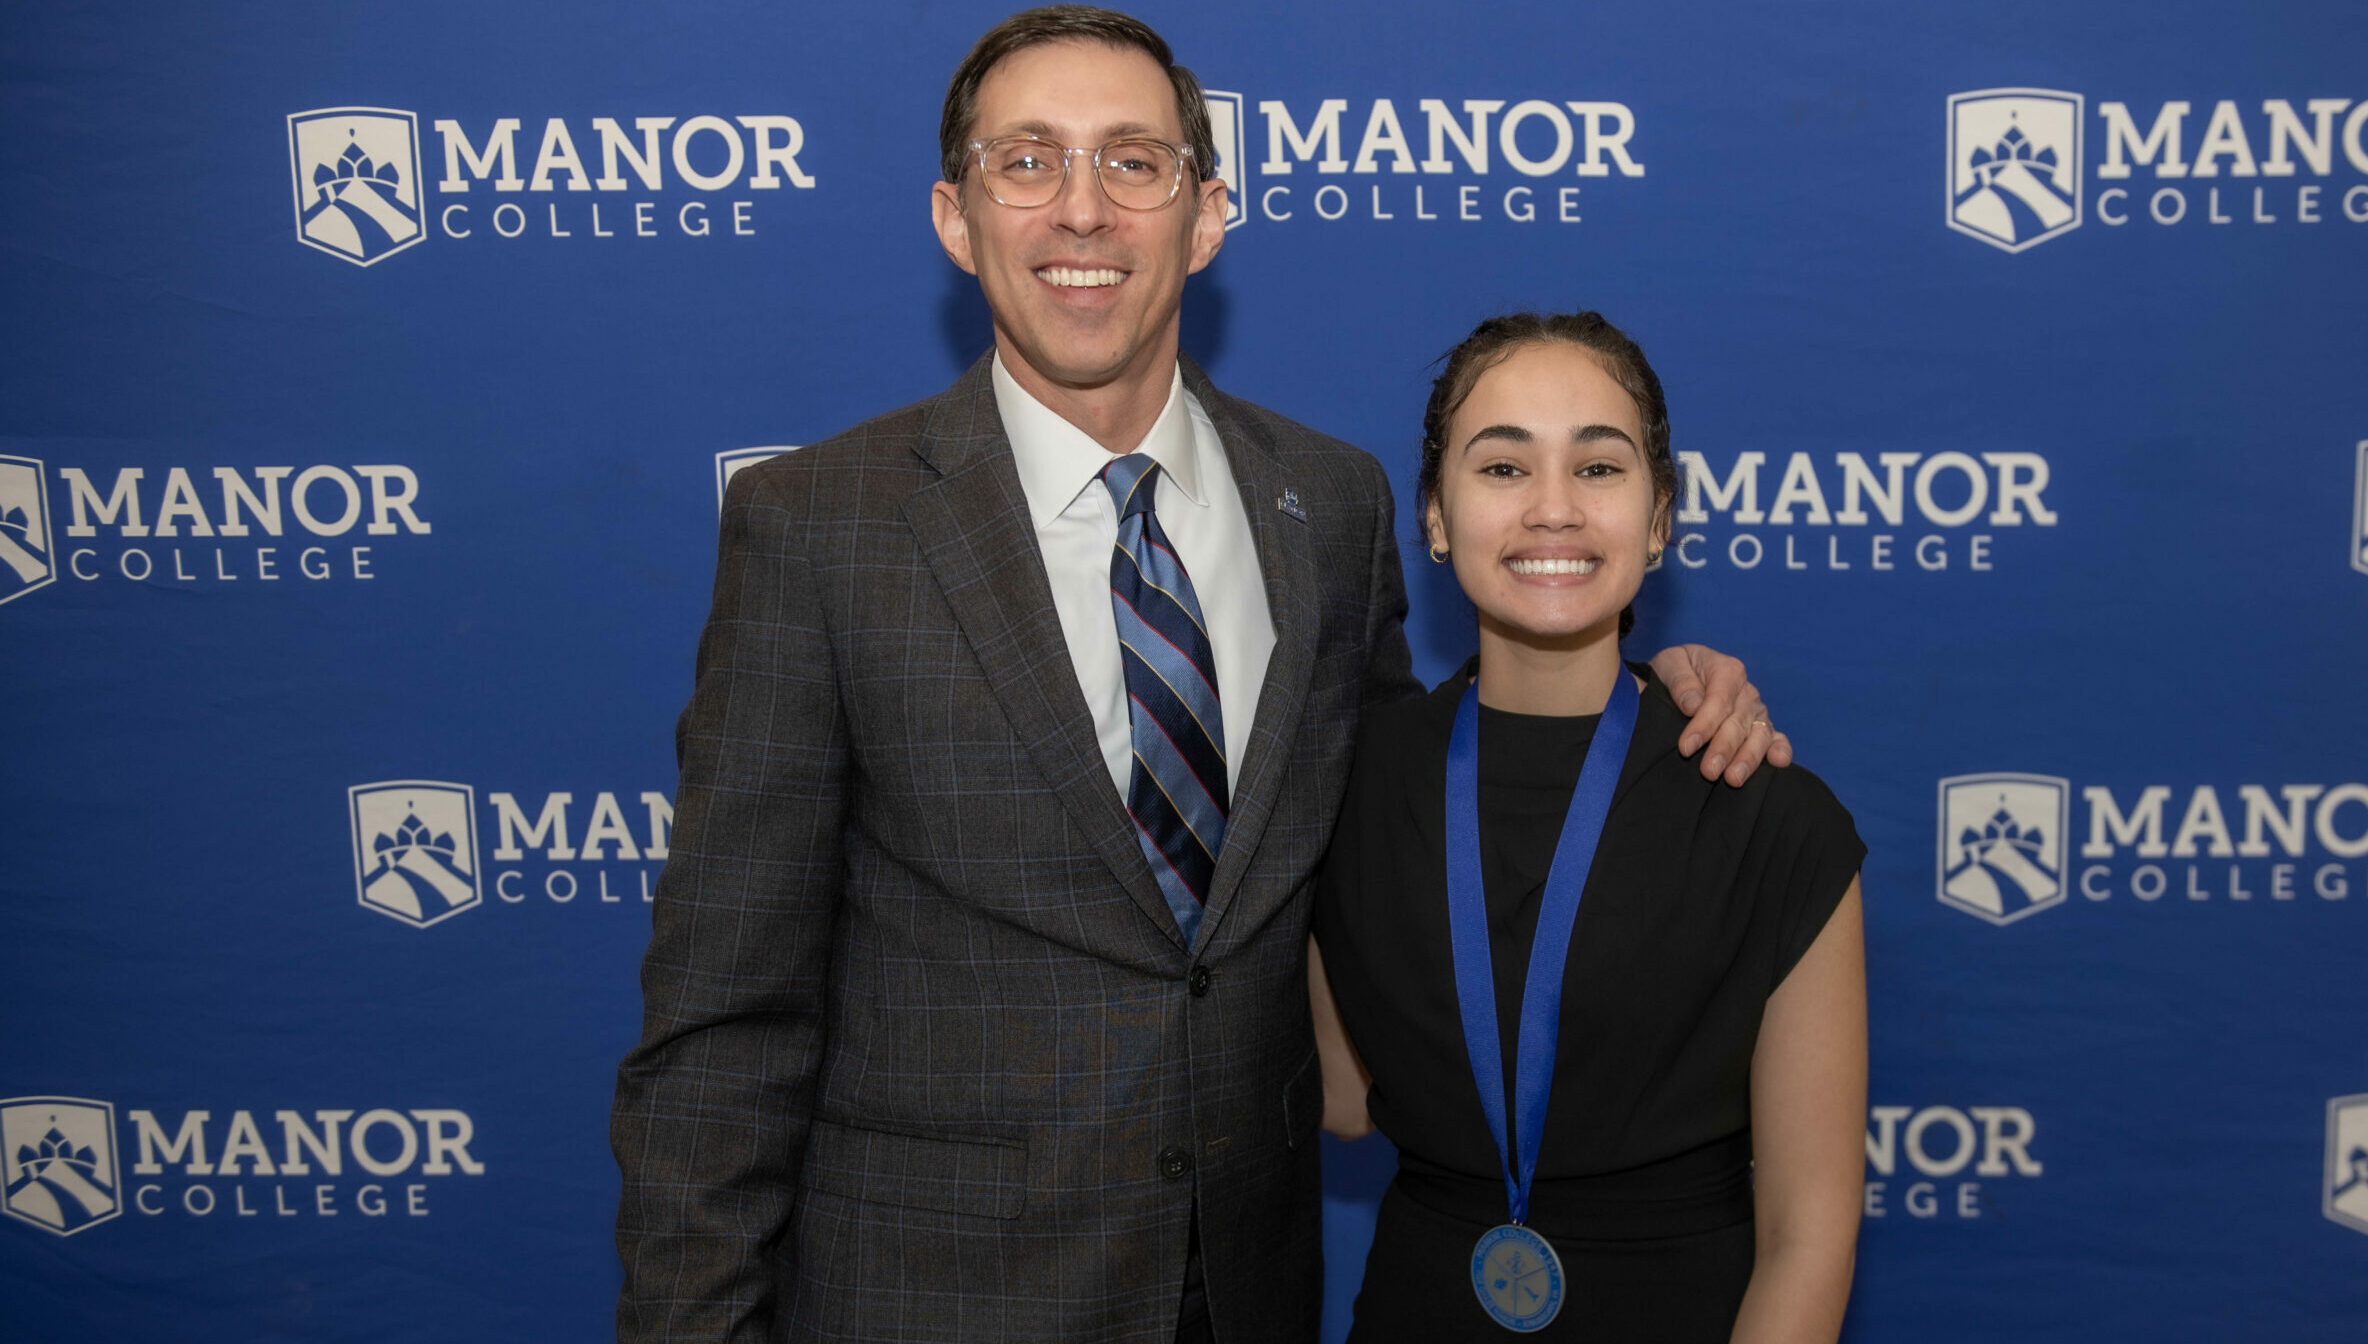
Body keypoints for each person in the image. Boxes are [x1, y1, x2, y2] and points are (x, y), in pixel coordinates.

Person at [609, 10, 1789, 1343]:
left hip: (1248, 1292)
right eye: (1027, 161)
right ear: (955, 216)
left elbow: (1414, 822)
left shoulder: (1329, 507)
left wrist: (1641, 683)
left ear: (1208, 212)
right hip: (930, 1299)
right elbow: (723, 1024)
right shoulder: (819, 527)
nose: (1082, 210)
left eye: (1132, 161)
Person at [1310, 312, 1867, 1342]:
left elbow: (1810, 1232)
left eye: (1600, 468)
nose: (1554, 510)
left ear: (1660, 518)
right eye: (1503, 468)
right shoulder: (1342, 786)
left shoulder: (1772, 820)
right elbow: (1341, 1100)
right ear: (1434, 516)